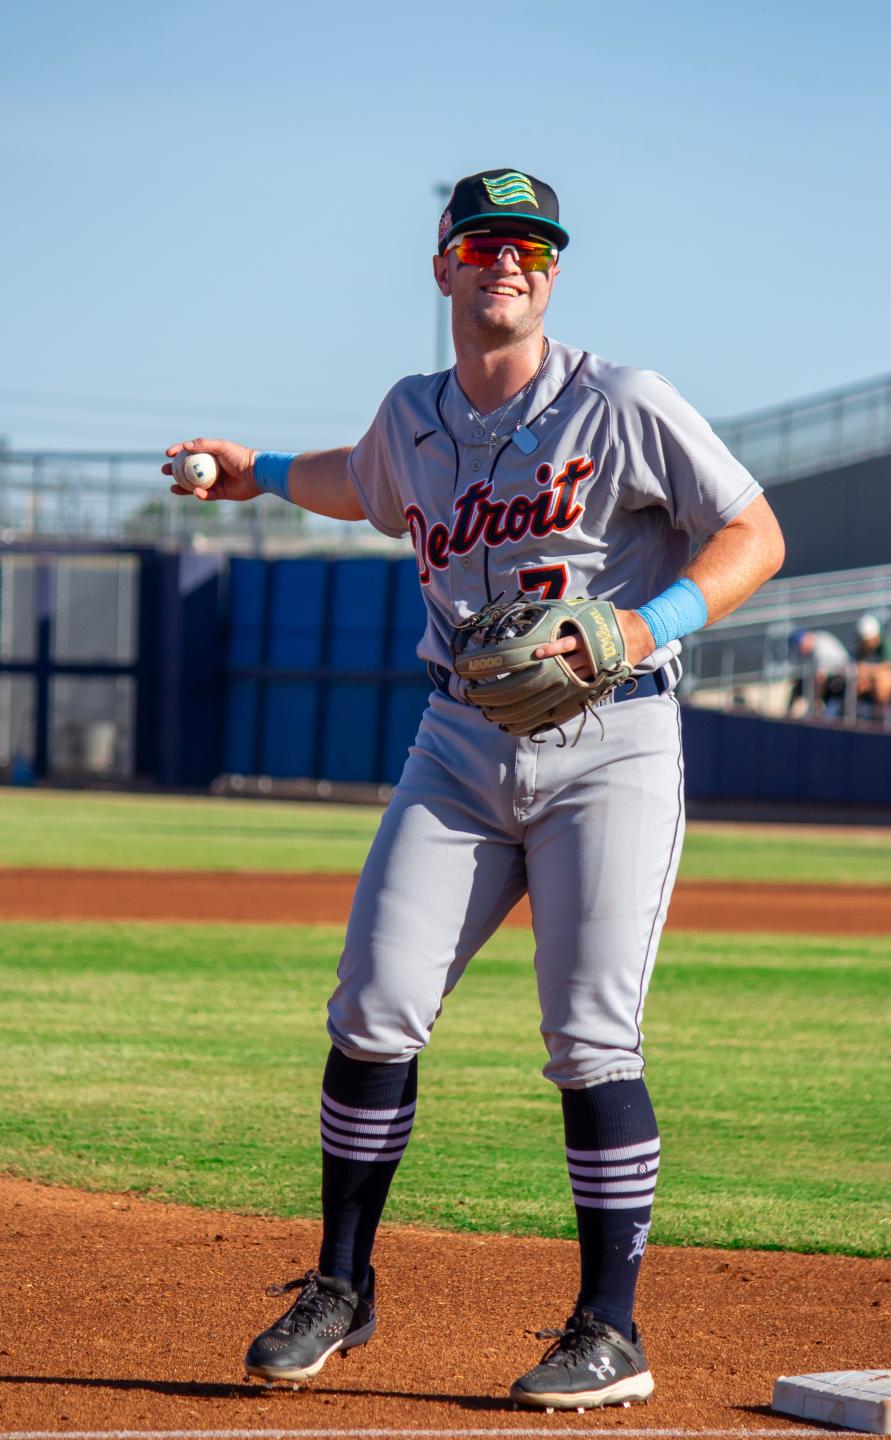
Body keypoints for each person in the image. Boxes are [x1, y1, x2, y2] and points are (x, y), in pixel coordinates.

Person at [164, 167, 785, 1411]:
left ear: (553, 274)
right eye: (489, 243)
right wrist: (259, 471)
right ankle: (341, 1286)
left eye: (536, 249)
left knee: (591, 1038)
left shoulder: (623, 400)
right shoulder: (414, 415)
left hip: (612, 742)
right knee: (372, 1007)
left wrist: (646, 623)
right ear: (444, 264)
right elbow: (368, 480)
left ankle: (609, 1330)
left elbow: (754, 534)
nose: (514, 263)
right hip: (457, 743)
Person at [787, 627, 851, 715]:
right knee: (799, 684)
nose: (800, 649)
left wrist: (815, 701)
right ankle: (791, 714)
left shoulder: (821, 645)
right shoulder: (814, 645)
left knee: (817, 679)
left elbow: (821, 676)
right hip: (831, 679)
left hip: (841, 679)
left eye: (800, 645)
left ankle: (815, 711)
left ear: (805, 640)